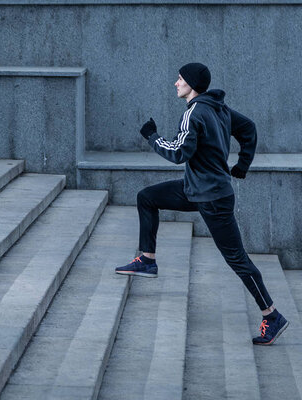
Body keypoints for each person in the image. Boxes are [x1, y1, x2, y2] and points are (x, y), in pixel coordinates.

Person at [115, 63, 288, 345]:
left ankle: (272, 315)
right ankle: (147, 260)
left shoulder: (195, 112)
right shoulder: (219, 108)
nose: (175, 83)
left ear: (192, 84)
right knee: (146, 197)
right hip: (197, 189)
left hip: (213, 199)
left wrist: (152, 136)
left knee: (237, 259)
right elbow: (249, 129)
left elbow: (179, 152)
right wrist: (242, 166)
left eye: (180, 79)